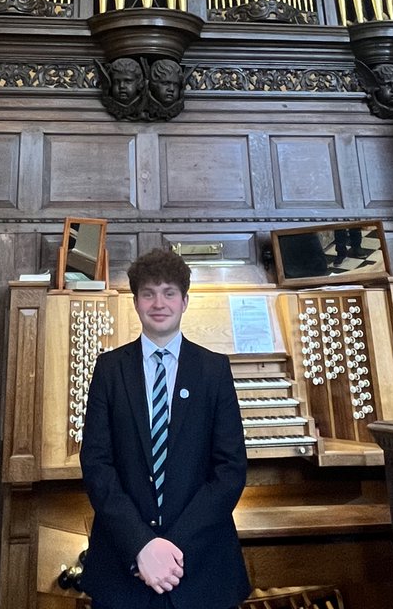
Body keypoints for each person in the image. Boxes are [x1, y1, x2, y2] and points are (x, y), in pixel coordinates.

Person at [80, 248, 249, 609]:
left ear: (185, 301)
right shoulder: (109, 370)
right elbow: (97, 465)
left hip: (201, 564)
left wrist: (171, 549)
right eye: (148, 293)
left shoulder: (213, 370)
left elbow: (230, 470)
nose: (159, 303)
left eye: (169, 292)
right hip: (123, 565)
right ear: (136, 302)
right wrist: (141, 545)